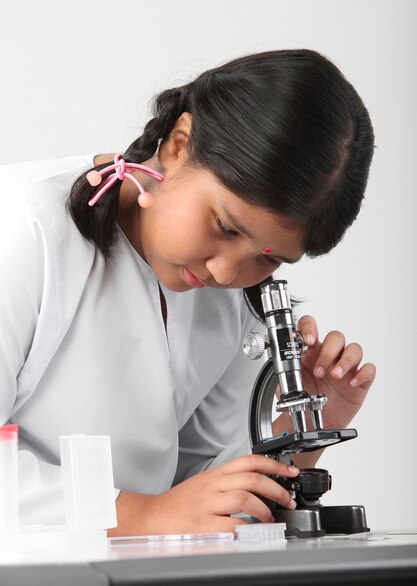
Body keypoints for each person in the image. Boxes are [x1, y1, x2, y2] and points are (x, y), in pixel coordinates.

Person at [0, 49, 375, 536]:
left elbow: (203, 498)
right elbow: (164, 514)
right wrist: (144, 516)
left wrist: (295, 434)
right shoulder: (24, 230)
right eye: (223, 225)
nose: (225, 270)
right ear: (180, 144)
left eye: (269, 257)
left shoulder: (237, 297)